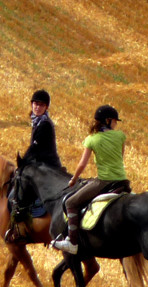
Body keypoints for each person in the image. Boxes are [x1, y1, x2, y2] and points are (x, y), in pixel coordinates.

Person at [52, 104, 131, 255]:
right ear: (107, 120)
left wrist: (74, 180)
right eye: (115, 120)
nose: (116, 124)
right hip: (122, 181)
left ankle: (72, 242)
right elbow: (120, 157)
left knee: (70, 202)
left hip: (103, 181)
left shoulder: (91, 139)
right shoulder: (120, 136)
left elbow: (82, 164)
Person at [24, 89, 64, 170]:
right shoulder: (37, 122)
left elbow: (34, 147)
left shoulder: (45, 124)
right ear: (31, 104)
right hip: (41, 165)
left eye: (41, 105)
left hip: (49, 167)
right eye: (36, 104)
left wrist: (23, 160)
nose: (38, 107)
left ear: (46, 107)